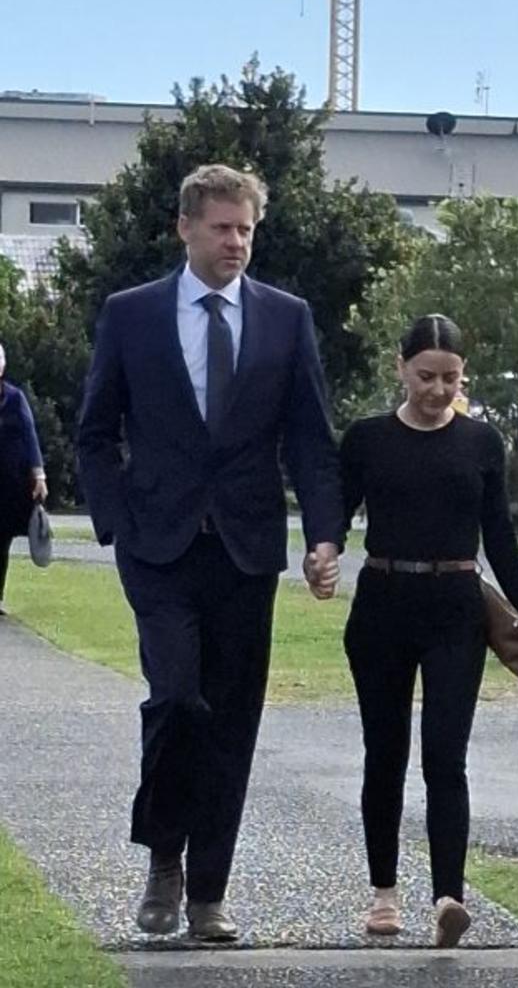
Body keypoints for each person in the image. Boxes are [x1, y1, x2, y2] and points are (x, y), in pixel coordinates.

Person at [78, 164, 342, 941]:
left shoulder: (285, 319)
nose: (236, 243)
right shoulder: (130, 316)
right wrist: (114, 522)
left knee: (231, 721)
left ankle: (207, 894)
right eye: (223, 227)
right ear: (186, 228)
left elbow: (310, 441)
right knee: (176, 698)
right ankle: (164, 857)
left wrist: (324, 535)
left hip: (245, 549)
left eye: (247, 230)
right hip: (157, 548)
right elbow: (95, 432)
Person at [340, 314, 518, 948]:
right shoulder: (368, 439)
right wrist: (320, 554)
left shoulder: (481, 442)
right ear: (400, 370)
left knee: (445, 758)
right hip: (382, 602)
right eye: (426, 376)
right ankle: (383, 897)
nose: (436, 389)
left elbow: (499, 531)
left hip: (455, 606)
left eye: (450, 378)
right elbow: (336, 515)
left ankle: (448, 897)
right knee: (385, 753)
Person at [0, 343, 48, 615]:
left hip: (8, 483)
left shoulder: (15, 399)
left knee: (1, 542)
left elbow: (30, 437)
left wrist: (38, 474)